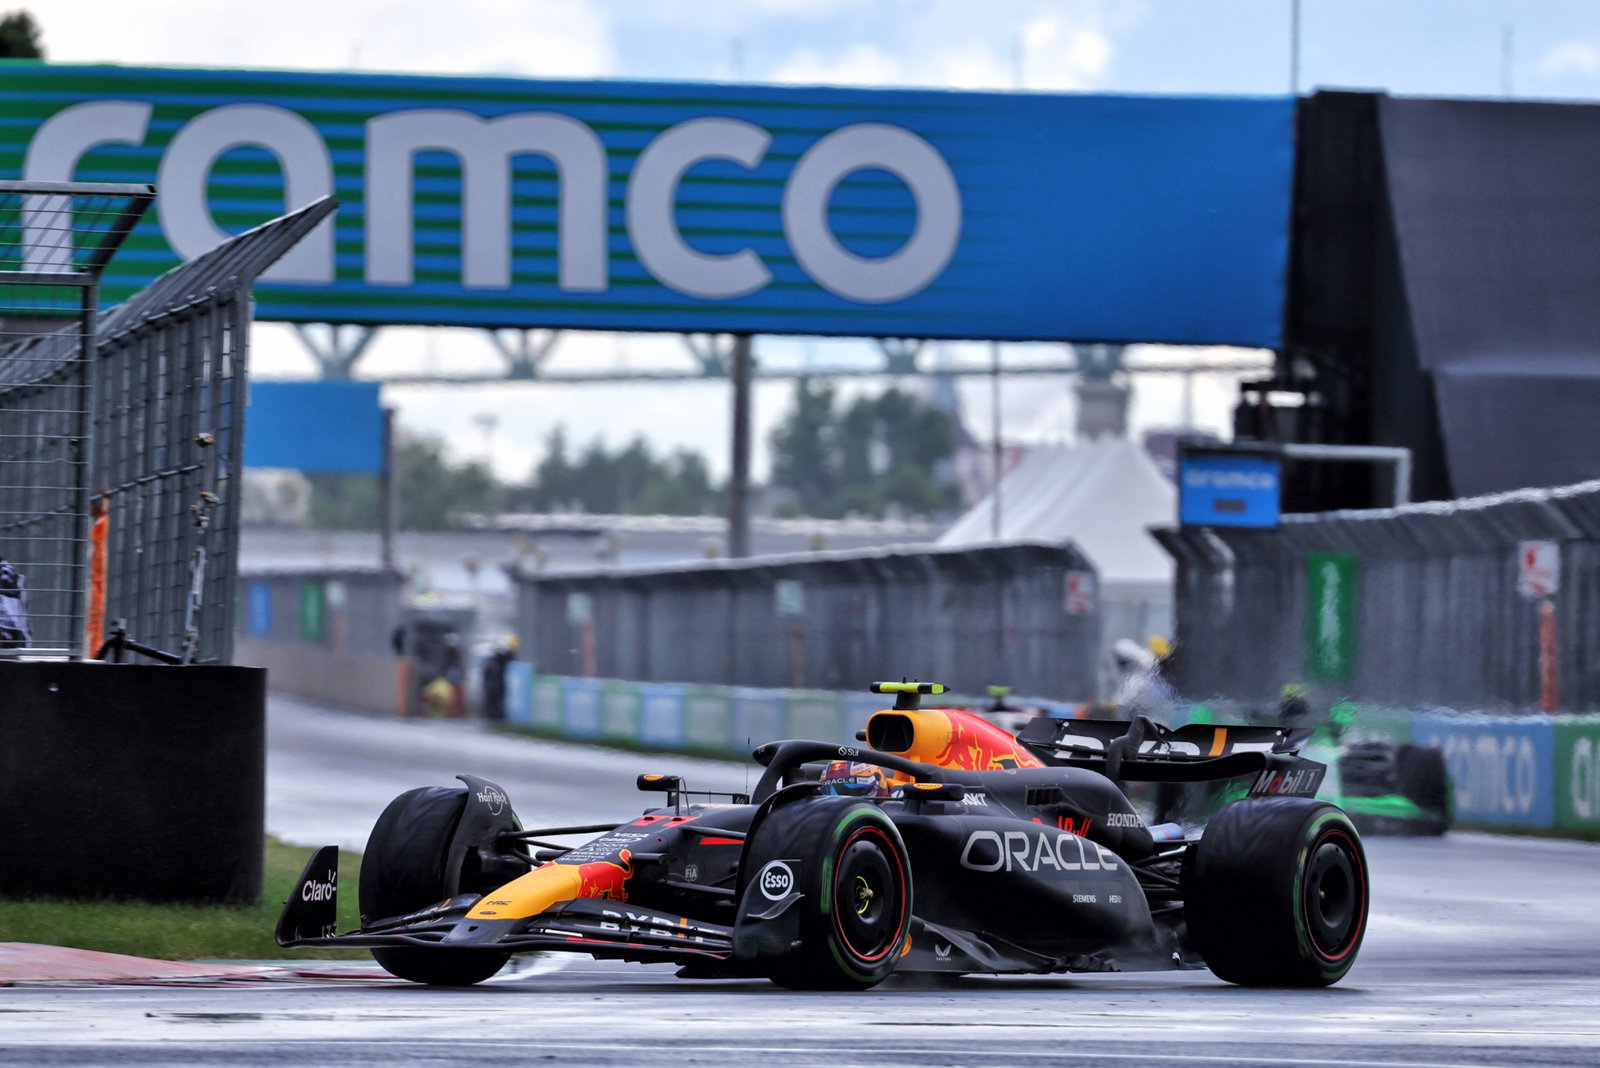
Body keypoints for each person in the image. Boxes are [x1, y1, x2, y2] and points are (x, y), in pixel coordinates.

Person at [480, 635, 518, 721]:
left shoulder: (498, 659)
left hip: (496, 685)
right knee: (492, 702)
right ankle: (492, 716)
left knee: (496, 701)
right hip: (493, 686)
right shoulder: (491, 661)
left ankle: (496, 716)